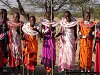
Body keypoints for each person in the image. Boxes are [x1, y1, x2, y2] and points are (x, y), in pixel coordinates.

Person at [1, 9, 9, 73]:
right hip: (0, 39)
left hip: (6, 39)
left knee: (5, 53)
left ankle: (4, 67)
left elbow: (10, 27)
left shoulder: (8, 20)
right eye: (2, 13)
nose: (3, 15)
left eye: (4, 13)